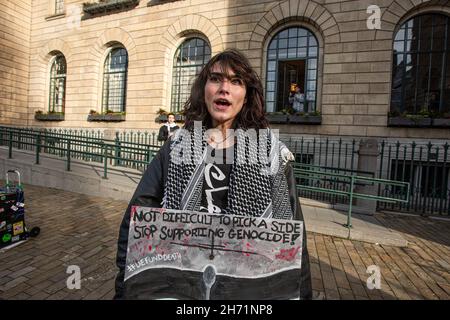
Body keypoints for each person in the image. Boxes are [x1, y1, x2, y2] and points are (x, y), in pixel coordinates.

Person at [114, 49, 312, 300]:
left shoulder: (272, 155)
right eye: (216, 79)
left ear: (247, 96)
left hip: (247, 292)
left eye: (236, 81)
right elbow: (135, 223)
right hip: (179, 288)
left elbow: (293, 238)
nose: (224, 88)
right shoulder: (176, 147)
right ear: (203, 89)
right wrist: (125, 287)